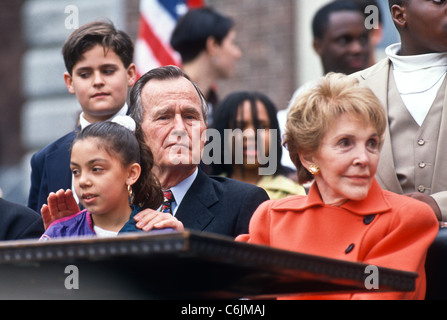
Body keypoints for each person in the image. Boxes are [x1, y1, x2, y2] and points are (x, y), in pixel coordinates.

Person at [236, 73, 439, 300]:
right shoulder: (272, 218)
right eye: (345, 143)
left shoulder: (407, 218)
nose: (364, 158)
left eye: (371, 143)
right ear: (308, 157)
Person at [43, 66, 269, 238]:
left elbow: (251, 293)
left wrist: (185, 250)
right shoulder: (107, 205)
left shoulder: (244, 202)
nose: (180, 129)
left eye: (190, 117)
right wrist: (71, 241)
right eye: (164, 117)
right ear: (137, 132)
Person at [27, 20, 137, 213]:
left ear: (130, 74)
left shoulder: (156, 142)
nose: (98, 81)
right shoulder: (45, 160)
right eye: (85, 74)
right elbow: (35, 235)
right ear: (69, 82)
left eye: (108, 71)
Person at [352, 0, 447, 222]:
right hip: (373, 249)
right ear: (400, 15)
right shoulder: (350, 90)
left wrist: (438, 205)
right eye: (439, 1)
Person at [40, 116, 179, 240]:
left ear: (131, 174)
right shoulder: (59, 235)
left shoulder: (158, 234)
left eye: (96, 169)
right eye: (76, 171)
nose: (82, 181)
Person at [279, 0, 372, 170]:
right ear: (318, 46)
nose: (357, 48)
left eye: (363, 39)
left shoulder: (382, 89)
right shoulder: (307, 98)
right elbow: (296, 168)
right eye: (345, 40)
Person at [209, 91, 305, 200]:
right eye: (239, 127)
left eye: (261, 127)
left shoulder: (295, 195)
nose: (251, 135)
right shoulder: (206, 193)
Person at [170, 7, 242, 124]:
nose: (238, 53)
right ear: (212, 45)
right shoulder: (165, 104)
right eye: (232, 42)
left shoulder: (215, 107)